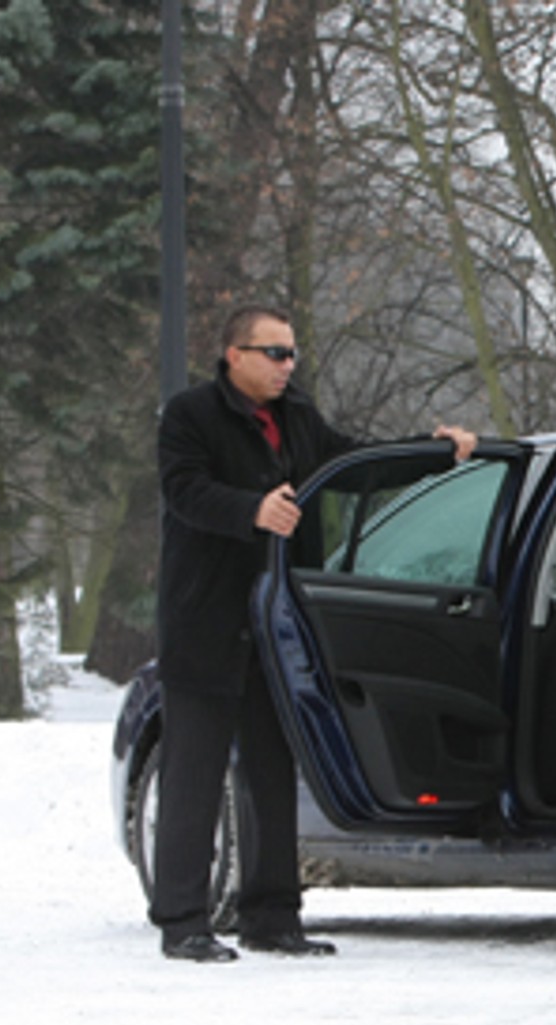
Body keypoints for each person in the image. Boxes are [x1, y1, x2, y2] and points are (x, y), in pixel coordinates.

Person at [153, 305, 476, 962]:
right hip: (206, 625)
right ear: (233, 355)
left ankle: (271, 915)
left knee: (274, 772)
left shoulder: (297, 417)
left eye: (292, 354)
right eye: (273, 353)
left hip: (276, 625)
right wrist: (253, 510)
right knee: (195, 774)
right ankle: (183, 919)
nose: (286, 366)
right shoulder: (191, 416)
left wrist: (434, 453)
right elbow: (186, 492)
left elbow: (353, 465)